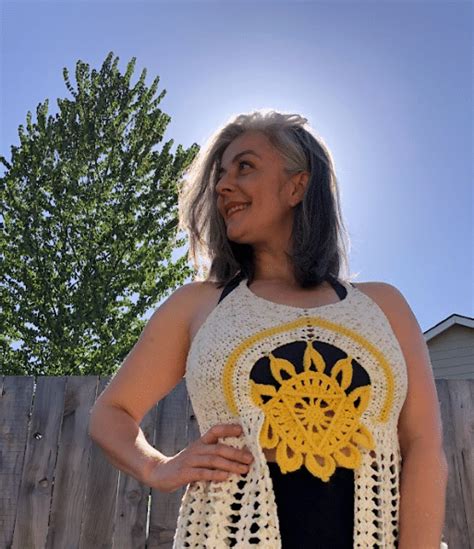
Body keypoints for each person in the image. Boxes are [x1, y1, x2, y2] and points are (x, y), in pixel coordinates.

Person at [88, 109, 449, 548]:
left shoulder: (382, 306)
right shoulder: (197, 305)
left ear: (297, 186)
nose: (223, 186)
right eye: (220, 175)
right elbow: (111, 414)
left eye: (245, 166)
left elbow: (423, 445)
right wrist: (156, 467)